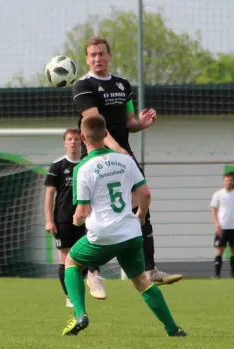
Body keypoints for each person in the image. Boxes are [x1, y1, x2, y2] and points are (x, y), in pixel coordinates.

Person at [61, 114, 186, 337]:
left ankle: (80, 314)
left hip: (102, 235)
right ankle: (173, 329)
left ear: (82, 137)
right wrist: (141, 215)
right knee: (141, 281)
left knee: (71, 260)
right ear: (106, 133)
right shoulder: (126, 160)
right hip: (130, 233)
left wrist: (76, 221)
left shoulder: (83, 168)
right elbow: (145, 193)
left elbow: (81, 213)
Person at [72, 35, 182, 287]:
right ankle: (91, 272)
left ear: (109, 56)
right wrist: (118, 150)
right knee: (95, 209)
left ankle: (150, 269)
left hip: (122, 152)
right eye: (92, 55)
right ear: (87, 59)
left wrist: (140, 124)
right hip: (98, 154)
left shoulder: (122, 85)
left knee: (141, 200)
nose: (97, 59)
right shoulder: (83, 86)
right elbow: (95, 124)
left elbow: (128, 122)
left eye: (101, 54)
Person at [44, 128, 106, 305]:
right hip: (63, 218)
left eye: (77, 139)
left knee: (91, 250)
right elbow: (49, 194)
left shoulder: (89, 163)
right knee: (64, 256)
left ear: (83, 141)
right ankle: (69, 296)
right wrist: (49, 220)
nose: (73, 142)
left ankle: (92, 277)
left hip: (86, 217)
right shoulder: (57, 166)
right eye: (70, 139)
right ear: (65, 142)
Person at [210, 174, 234, 278]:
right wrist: (217, 224)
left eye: (230, 181)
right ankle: (217, 275)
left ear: (233, 182)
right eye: (226, 181)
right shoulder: (218, 194)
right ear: (223, 182)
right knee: (219, 250)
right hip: (222, 227)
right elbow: (213, 211)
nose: (228, 182)